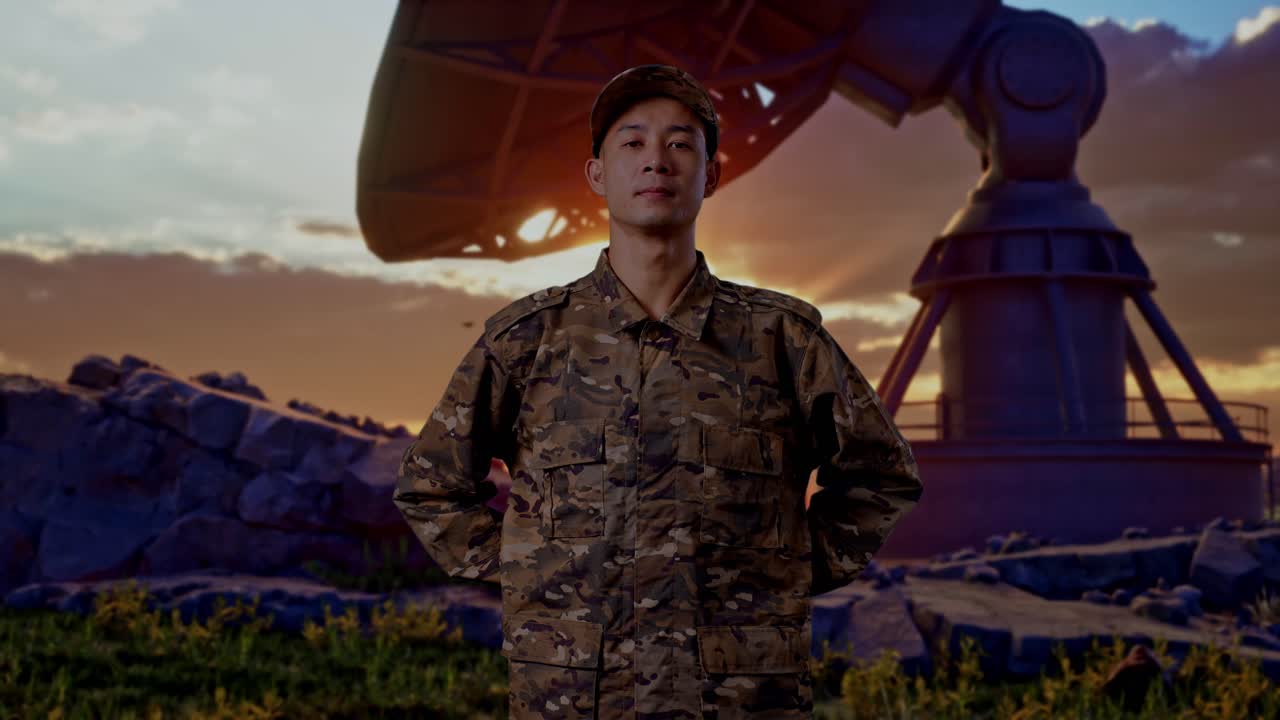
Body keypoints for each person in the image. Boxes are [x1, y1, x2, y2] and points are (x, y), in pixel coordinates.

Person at [393, 63, 924, 720]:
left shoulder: (782, 340)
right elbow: (431, 488)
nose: (657, 162)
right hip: (573, 696)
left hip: (739, 698)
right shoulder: (527, 341)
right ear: (596, 175)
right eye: (633, 142)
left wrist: (794, 567)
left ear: (713, 174)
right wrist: (529, 570)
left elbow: (882, 475)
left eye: (680, 144)